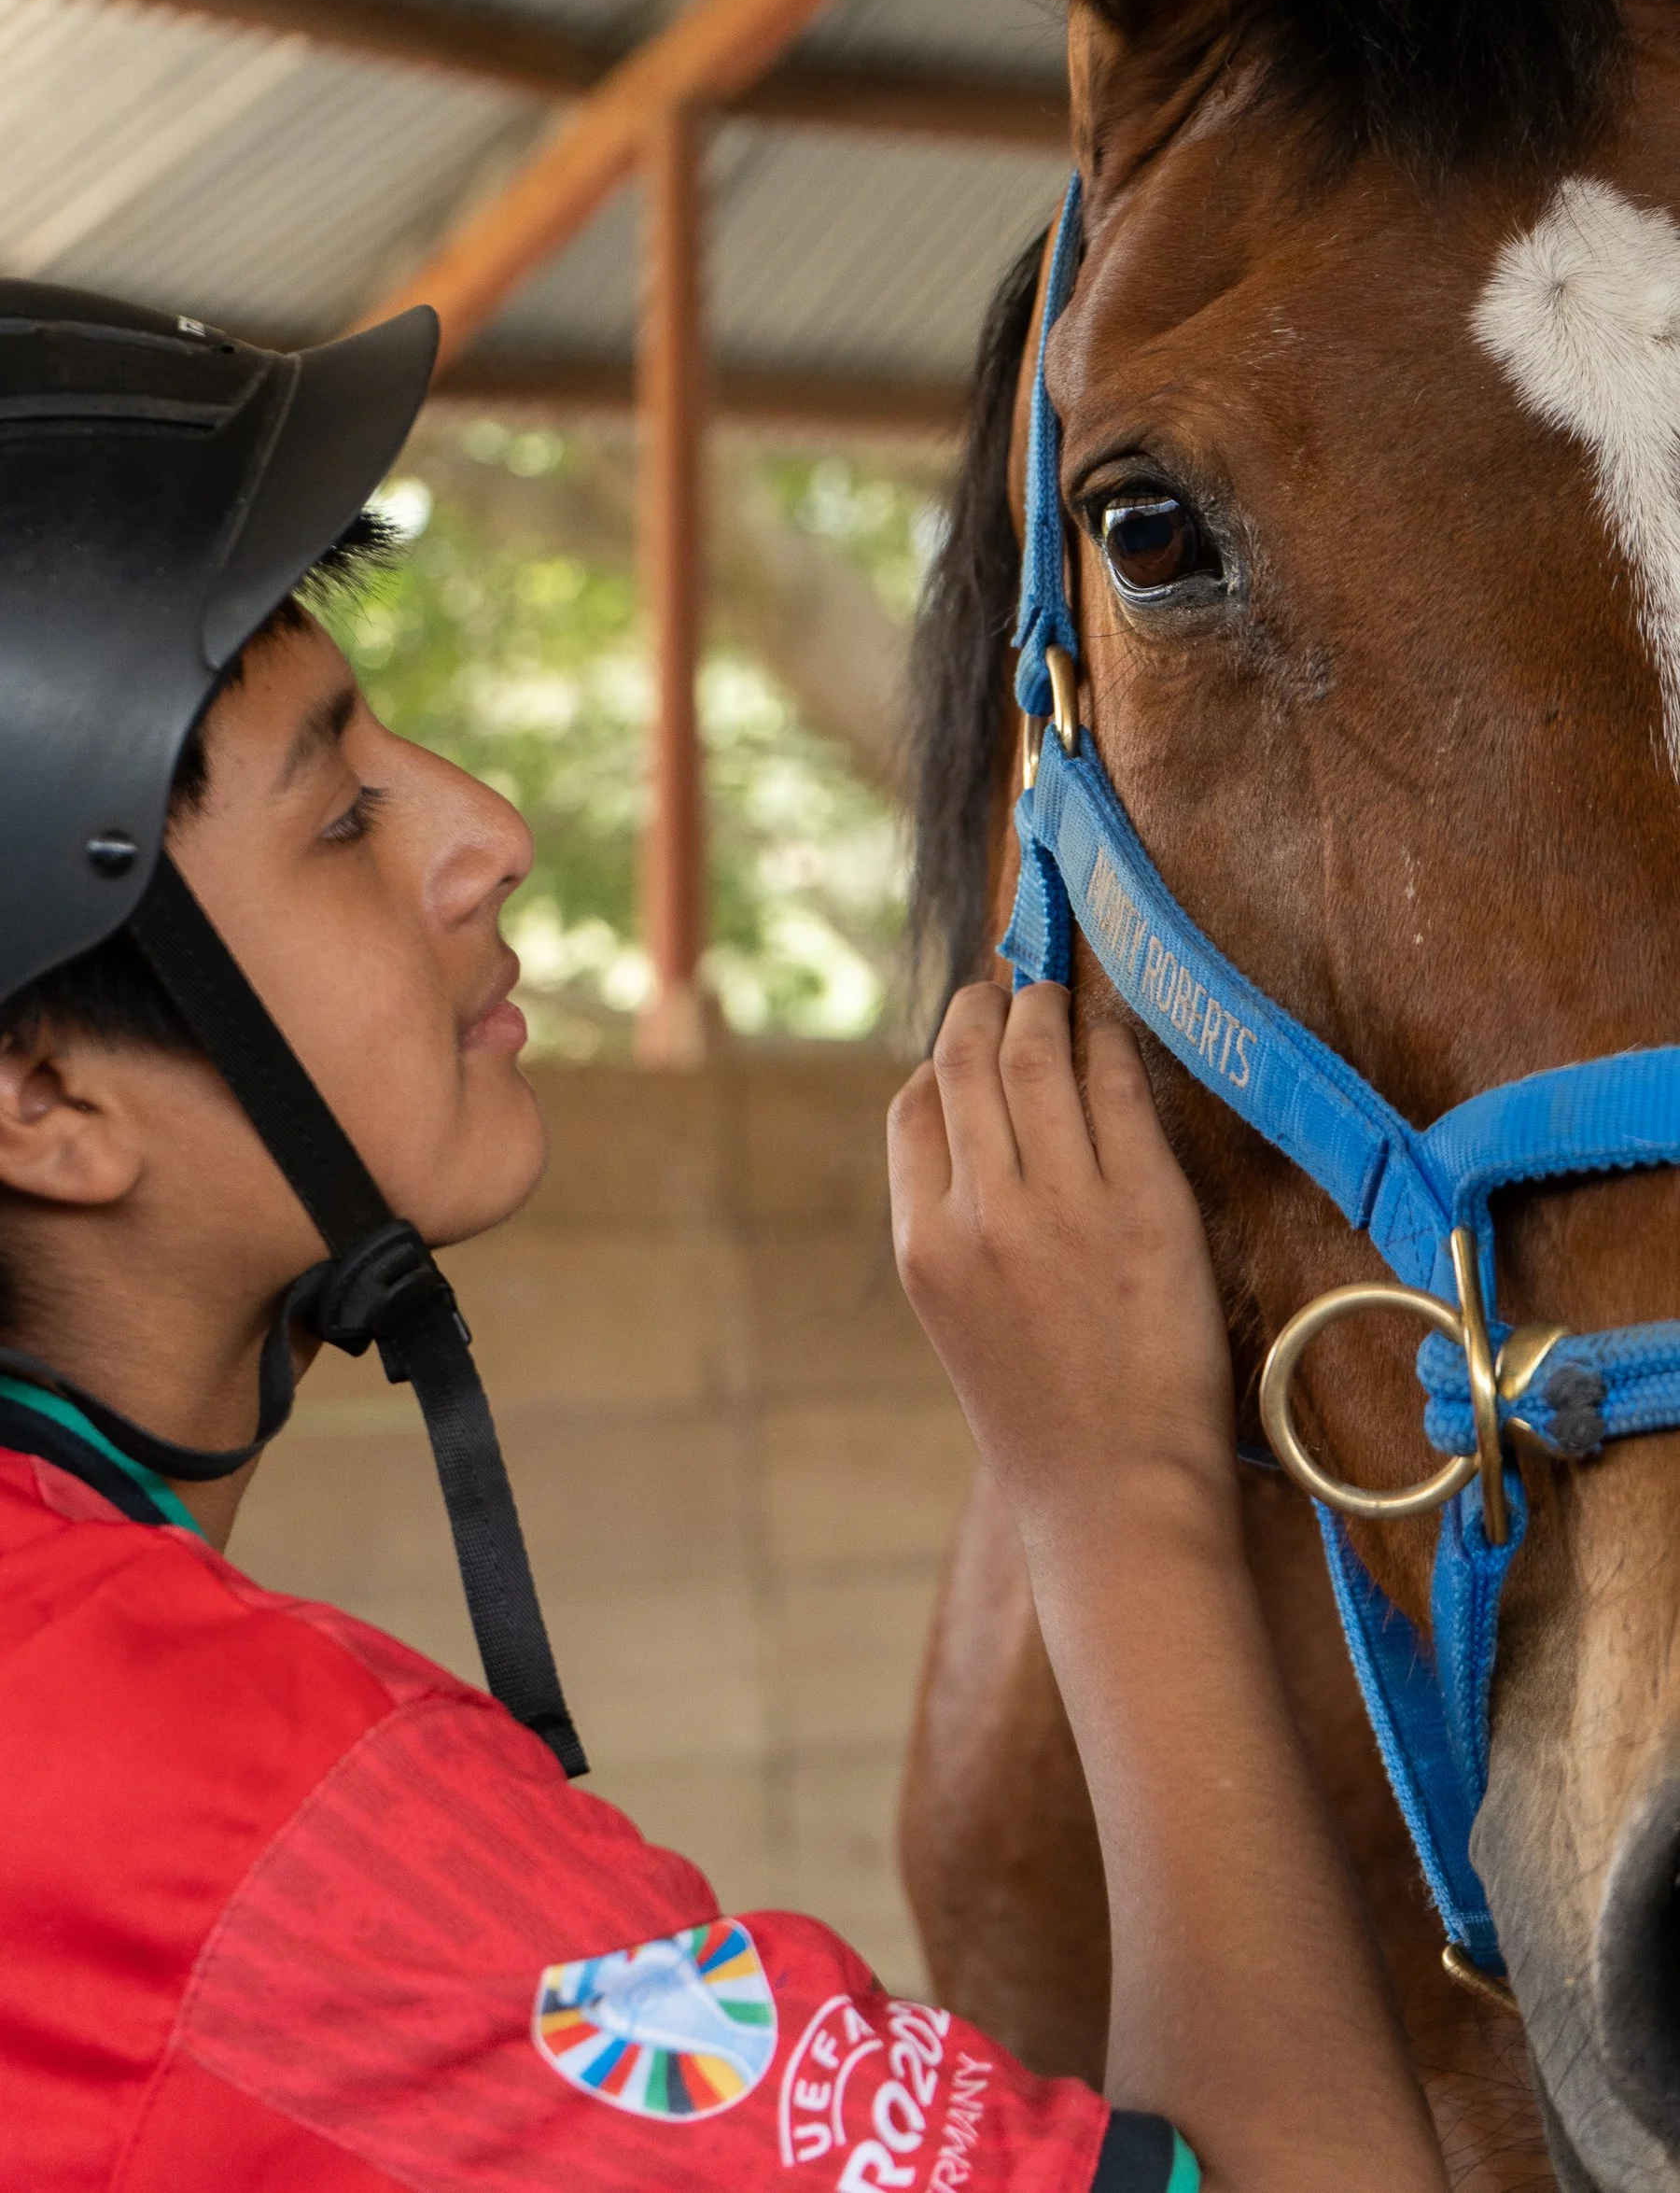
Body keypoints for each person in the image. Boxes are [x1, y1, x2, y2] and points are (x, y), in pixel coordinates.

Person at [0, 282, 1445, 2193]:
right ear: (44, 1102)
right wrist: (1120, 1496)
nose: (488, 830)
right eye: (340, 813)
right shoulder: (257, 1840)